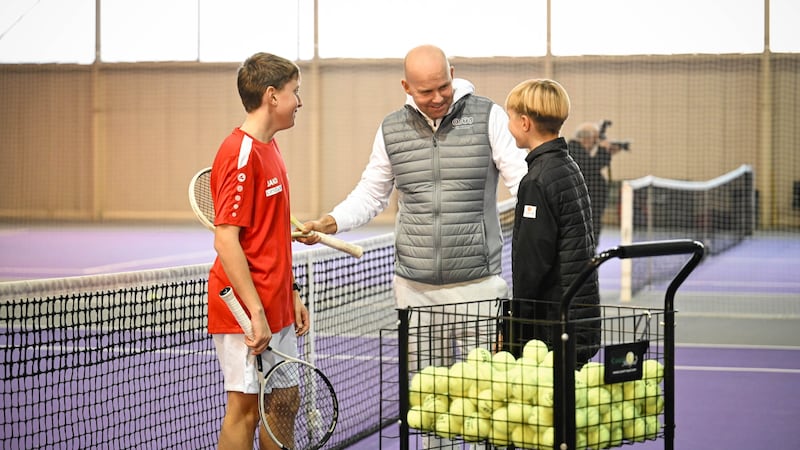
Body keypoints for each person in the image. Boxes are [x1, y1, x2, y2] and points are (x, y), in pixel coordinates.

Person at [298, 44, 528, 448]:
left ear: (452, 73)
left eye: (443, 86)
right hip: (414, 288)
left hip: (478, 284)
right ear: (406, 87)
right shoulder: (391, 128)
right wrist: (331, 220)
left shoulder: (489, 115)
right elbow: (371, 194)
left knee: (485, 401)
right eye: (426, 91)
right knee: (429, 402)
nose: (438, 97)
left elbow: (522, 178)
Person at [207, 52, 310, 450]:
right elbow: (225, 240)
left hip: (276, 301)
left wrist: (292, 292)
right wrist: (255, 312)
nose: (299, 102)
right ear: (272, 96)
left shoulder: (271, 148)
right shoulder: (240, 155)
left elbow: (273, 231)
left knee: (284, 400)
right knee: (245, 409)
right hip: (245, 309)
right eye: (294, 92)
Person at [503, 78, 600, 365]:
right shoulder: (567, 166)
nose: (508, 126)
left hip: (552, 326)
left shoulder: (536, 180)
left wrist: (515, 328)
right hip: (577, 315)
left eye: (509, 118)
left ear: (524, 122)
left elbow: (532, 264)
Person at [567, 122, 623, 246]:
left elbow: (593, 164)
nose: (596, 143)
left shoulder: (578, 151)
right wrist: (603, 150)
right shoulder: (573, 149)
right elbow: (591, 166)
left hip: (590, 206)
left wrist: (607, 152)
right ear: (587, 138)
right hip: (584, 207)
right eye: (595, 139)